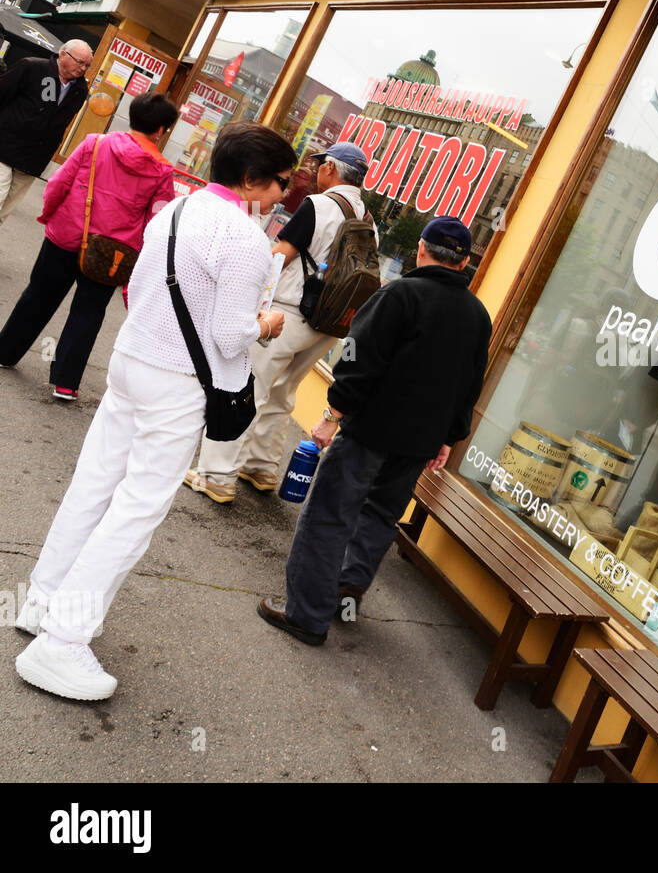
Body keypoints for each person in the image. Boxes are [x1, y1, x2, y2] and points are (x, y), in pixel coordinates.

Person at [13, 121, 296, 701]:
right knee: (136, 510)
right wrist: (265, 323)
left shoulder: (177, 209)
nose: (282, 194)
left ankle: (43, 599)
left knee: (94, 485)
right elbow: (228, 334)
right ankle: (64, 639)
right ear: (249, 179)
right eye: (278, 184)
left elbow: (144, 283)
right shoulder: (245, 242)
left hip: (131, 359)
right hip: (178, 384)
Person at [257, 215, 491, 645]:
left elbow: (358, 364)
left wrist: (332, 415)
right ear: (463, 263)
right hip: (418, 442)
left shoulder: (400, 294)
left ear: (422, 249)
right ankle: (345, 594)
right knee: (380, 516)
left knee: (330, 515)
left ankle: (307, 615)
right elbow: (469, 384)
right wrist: (449, 437)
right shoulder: (477, 314)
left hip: (371, 431)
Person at [184, 140, 374, 503]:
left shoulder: (320, 205)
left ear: (331, 169)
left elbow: (280, 256)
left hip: (289, 312)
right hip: (330, 324)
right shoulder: (368, 220)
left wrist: (253, 296)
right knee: (284, 392)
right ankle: (260, 466)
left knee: (247, 388)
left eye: (320, 165)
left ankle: (217, 475)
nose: (317, 171)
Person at [0, 93, 178, 400]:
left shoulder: (96, 143)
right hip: (113, 252)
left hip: (67, 233)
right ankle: (66, 382)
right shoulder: (162, 171)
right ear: (161, 130)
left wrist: (49, 214)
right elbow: (158, 219)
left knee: (39, 295)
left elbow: (59, 183)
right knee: (89, 312)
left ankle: (6, 351)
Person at [0, 40, 93, 226]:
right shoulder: (32, 67)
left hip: (33, 160)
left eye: (87, 65)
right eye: (79, 62)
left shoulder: (80, 90)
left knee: (5, 211)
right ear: (63, 54)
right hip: (4, 147)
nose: (83, 68)